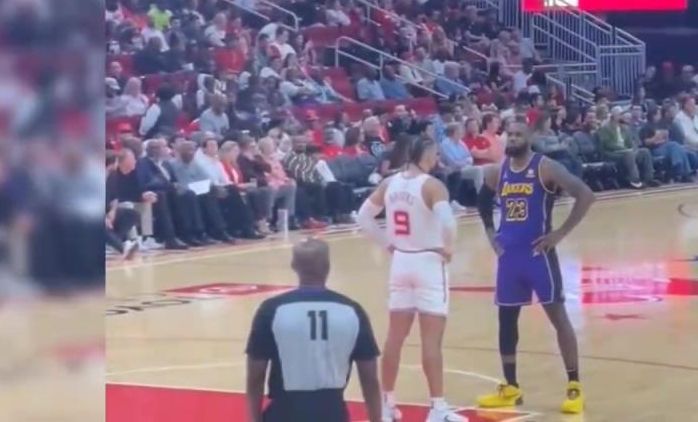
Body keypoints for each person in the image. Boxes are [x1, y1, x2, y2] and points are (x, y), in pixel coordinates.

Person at [475, 120, 595, 414]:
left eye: (519, 134)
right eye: (510, 134)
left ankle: (574, 386)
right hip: (509, 259)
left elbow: (586, 195)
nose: (513, 138)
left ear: (529, 138)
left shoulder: (545, 167)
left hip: (538, 257)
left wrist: (559, 234)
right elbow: (483, 202)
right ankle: (511, 387)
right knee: (506, 321)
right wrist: (491, 234)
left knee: (559, 318)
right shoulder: (498, 171)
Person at [356, 137, 468, 422]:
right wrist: (449, 247)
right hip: (428, 262)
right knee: (431, 341)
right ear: (426, 155)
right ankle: (438, 408)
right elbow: (449, 222)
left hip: (401, 261)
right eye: (435, 154)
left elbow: (363, 217)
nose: (437, 158)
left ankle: (386, 404)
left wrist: (387, 244)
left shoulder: (389, 183)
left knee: (395, 338)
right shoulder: (432, 186)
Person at [246, 239, 382, 422]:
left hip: (284, 414)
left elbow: (255, 378)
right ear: (327, 266)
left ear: (294, 265)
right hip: (333, 413)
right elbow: (370, 380)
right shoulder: (352, 310)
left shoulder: (271, 309)